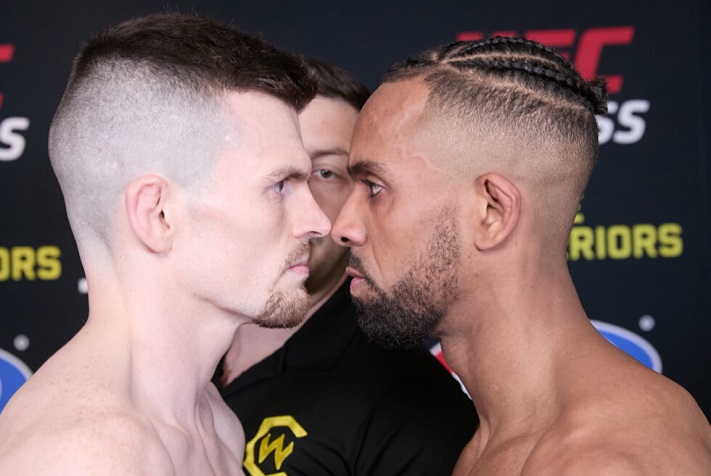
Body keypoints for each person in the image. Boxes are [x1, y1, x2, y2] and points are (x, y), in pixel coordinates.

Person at [331, 37, 711, 475]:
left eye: (374, 188)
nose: (342, 226)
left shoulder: (600, 461)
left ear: (493, 212)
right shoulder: (498, 441)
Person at [0, 13, 330, 475]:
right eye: (279, 186)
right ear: (157, 215)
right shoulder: (89, 456)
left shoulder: (215, 422)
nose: (319, 222)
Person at [218, 57, 478, 476]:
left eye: (326, 172)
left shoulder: (407, 403)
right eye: (275, 170)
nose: (299, 204)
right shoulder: (162, 353)